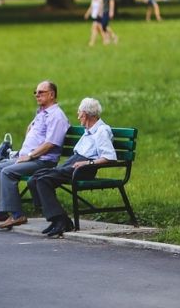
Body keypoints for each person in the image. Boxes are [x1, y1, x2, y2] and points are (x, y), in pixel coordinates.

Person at [0, 80, 70, 230]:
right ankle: (0, 211)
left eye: (41, 92)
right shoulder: (42, 113)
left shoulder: (57, 116)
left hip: (43, 161)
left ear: (51, 94)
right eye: (35, 92)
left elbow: (51, 143)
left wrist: (30, 155)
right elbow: (34, 132)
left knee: (7, 172)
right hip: (30, 157)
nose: (37, 95)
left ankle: (17, 215)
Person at [28, 97, 117, 237]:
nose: (78, 116)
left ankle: (60, 220)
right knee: (34, 178)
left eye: (79, 113)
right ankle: (58, 219)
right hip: (75, 163)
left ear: (85, 114)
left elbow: (109, 157)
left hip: (84, 168)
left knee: (43, 180)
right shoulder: (88, 130)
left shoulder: (101, 131)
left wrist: (87, 163)